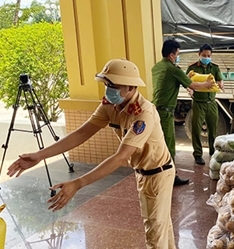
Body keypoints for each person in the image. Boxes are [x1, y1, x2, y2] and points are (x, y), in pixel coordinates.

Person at [7, 59, 177, 249]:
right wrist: (40, 155)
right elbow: (82, 133)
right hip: (143, 173)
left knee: (155, 235)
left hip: (158, 174)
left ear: (131, 87)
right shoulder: (110, 106)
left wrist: (78, 183)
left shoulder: (144, 113)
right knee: (161, 228)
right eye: (107, 84)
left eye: (114, 86)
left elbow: (120, 157)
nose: (108, 90)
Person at [152, 40, 214, 186]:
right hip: (165, 113)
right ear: (172, 55)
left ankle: (160, 174)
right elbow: (193, 85)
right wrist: (207, 84)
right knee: (169, 145)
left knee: (159, 145)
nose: (178, 57)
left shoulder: (157, 67)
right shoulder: (172, 68)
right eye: (178, 54)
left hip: (155, 110)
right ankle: (170, 177)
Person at [185, 44, 224, 165]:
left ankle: (213, 153)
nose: (206, 58)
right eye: (204, 55)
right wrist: (190, 89)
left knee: (213, 129)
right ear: (199, 54)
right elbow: (187, 82)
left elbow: (220, 80)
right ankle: (198, 154)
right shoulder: (192, 68)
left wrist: (221, 84)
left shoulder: (215, 68)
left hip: (211, 103)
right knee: (196, 129)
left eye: (208, 56)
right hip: (198, 103)